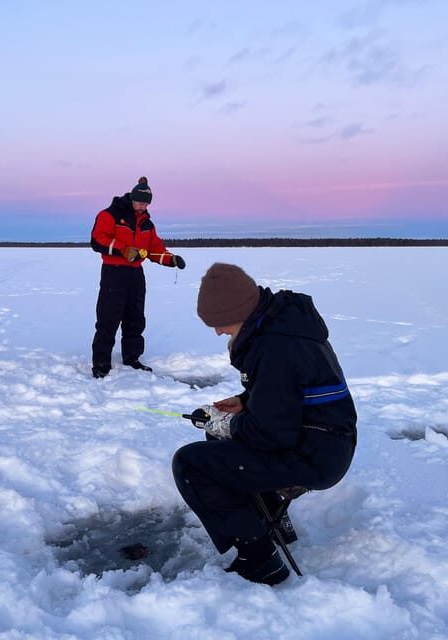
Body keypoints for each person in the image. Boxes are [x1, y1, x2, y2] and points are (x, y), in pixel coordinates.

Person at [172, 263, 357, 585]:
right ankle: (272, 521)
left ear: (239, 311)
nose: (218, 332)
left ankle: (260, 559)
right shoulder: (282, 326)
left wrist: (227, 424)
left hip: (316, 455)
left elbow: (271, 435)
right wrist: (247, 401)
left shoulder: (275, 348)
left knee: (190, 465)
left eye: (219, 323)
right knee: (220, 441)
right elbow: (293, 390)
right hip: (324, 441)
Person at [89, 176, 186, 378]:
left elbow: (154, 248)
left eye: (146, 204)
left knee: (135, 318)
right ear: (132, 198)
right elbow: (98, 239)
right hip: (114, 272)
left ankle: (132, 358)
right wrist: (124, 250)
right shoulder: (110, 215)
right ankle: (101, 364)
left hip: (135, 274)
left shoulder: (146, 223)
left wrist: (171, 259)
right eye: (141, 202)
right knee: (108, 319)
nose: (143, 206)